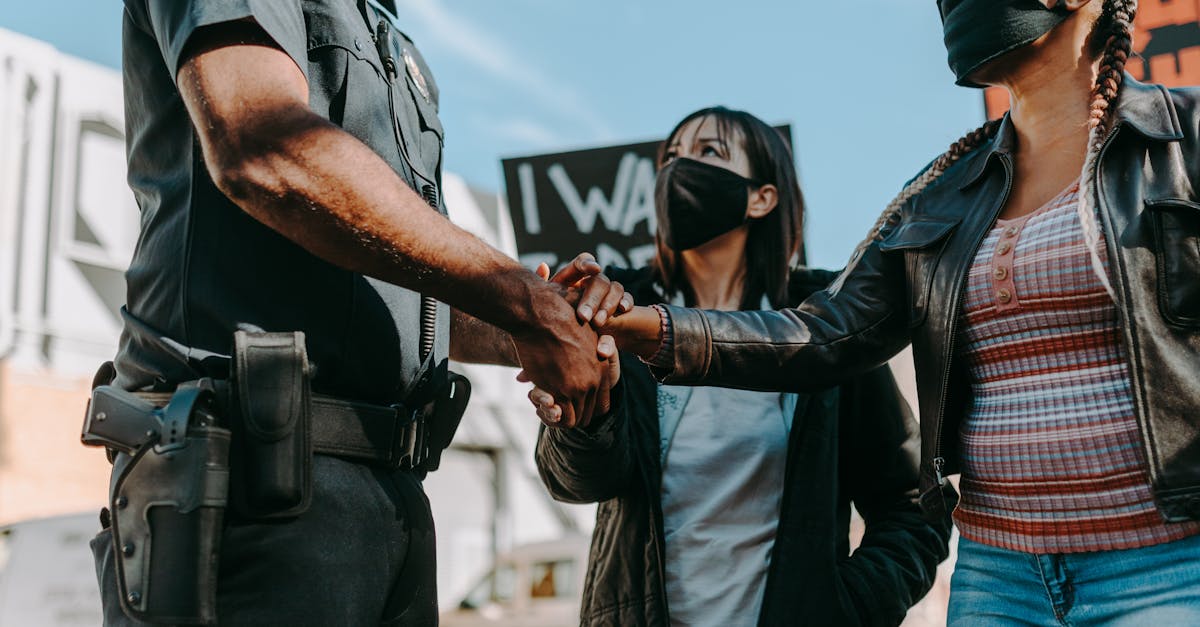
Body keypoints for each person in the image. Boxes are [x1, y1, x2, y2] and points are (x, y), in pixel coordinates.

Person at [577, 0, 1200, 624]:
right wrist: (642, 327)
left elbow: (897, 506)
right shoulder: (936, 192)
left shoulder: (1185, 141)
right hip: (1002, 577)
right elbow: (827, 333)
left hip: (1167, 566)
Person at [88, 1, 622, 625]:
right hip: (249, 482)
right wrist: (528, 305)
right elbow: (264, 147)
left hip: (388, 495)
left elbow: (404, 275)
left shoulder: (385, 30)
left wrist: (543, 330)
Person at [531, 107, 952, 626]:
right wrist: (581, 417)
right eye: (671, 156)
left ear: (763, 196)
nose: (678, 169)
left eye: (709, 152)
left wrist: (845, 607)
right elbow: (574, 484)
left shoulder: (827, 321)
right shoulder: (613, 308)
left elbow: (912, 508)